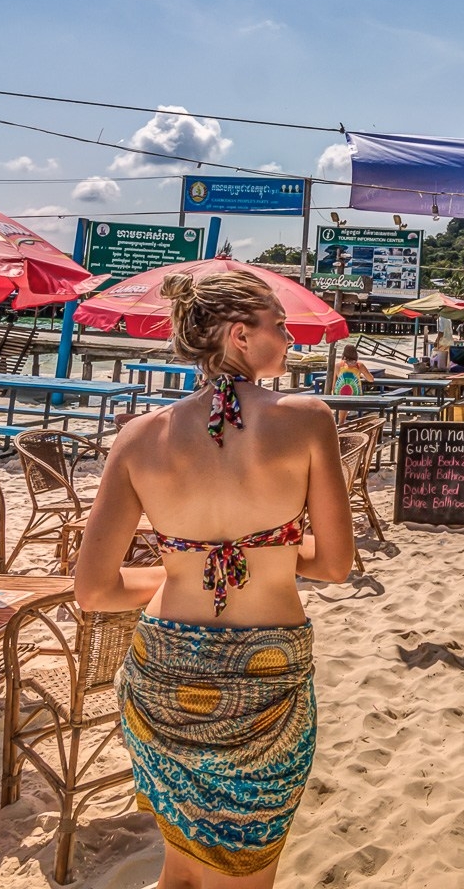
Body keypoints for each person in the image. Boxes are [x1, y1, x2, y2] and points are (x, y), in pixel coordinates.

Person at [75, 269, 355, 889]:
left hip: (162, 673)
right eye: (279, 327)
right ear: (239, 336)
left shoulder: (139, 436)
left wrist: (182, 563)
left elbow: (94, 591)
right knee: (246, 870)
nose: (290, 339)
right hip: (267, 678)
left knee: (181, 864)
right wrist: (275, 547)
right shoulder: (307, 418)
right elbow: (336, 565)